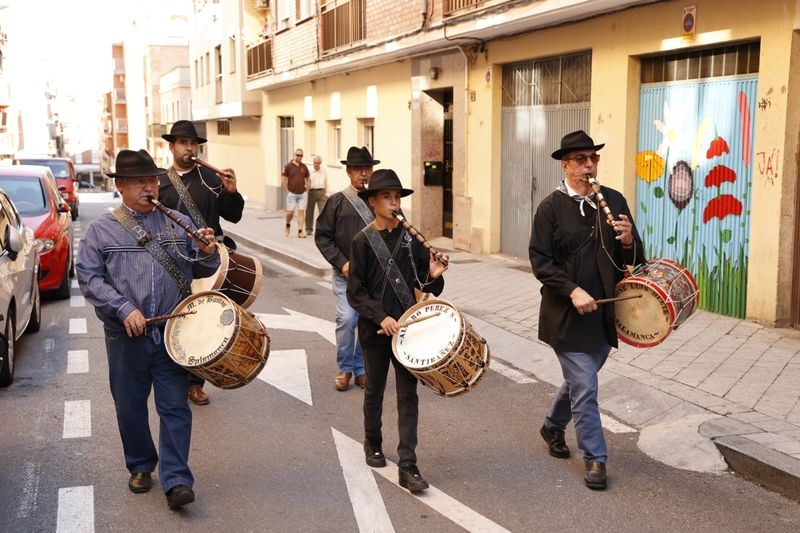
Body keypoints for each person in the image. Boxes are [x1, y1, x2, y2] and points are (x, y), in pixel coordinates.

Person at [76, 149, 220, 509]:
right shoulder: (101, 230)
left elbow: (202, 269)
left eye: (152, 179)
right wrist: (123, 308)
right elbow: (88, 277)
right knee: (130, 405)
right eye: (140, 181)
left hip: (172, 333)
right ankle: (140, 465)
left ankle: (176, 480)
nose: (149, 186)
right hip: (126, 337)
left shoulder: (176, 221)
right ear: (121, 186)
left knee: (175, 407)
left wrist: (206, 251)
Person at [528, 130, 644, 490]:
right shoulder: (550, 207)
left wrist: (628, 241)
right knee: (586, 386)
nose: (589, 164)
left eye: (592, 158)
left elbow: (635, 260)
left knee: (580, 382)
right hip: (566, 315)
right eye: (580, 159)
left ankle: (551, 425)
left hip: (604, 314)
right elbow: (541, 262)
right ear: (565, 165)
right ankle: (596, 458)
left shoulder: (614, 200)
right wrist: (573, 290)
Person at [347, 169, 448, 493]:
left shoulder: (411, 239)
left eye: (397, 197)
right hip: (376, 331)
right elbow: (356, 292)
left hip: (409, 330)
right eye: (387, 197)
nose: (394, 203)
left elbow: (425, 284)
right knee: (375, 390)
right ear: (373, 201)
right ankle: (372, 443)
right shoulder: (362, 241)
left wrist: (434, 273)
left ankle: (408, 463)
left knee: (408, 395)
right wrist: (380, 317)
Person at [159, 119, 245, 406]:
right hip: (170, 261)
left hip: (206, 262)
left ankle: (196, 382)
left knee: (202, 320)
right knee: (173, 319)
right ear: (171, 147)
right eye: (183, 142)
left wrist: (232, 192)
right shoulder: (159, 183)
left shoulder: (212, 179)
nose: (189, 147)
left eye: (193, 142)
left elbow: (233, 217)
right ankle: (174, 375)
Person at [314, 146, 378, 391]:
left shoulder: (379, 200)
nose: (364, 174)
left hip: (373, 278)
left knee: (367, 322)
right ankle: (345, 368)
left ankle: (361, 369)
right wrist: (342, 263)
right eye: (359, 170)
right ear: (349, 172)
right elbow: (322, 237)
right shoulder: (337, 202)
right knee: (347, 318)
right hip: (346, 276)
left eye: (367, 169)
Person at [281, 147, 310, 238]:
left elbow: (308, 179)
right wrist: (287, 191)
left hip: (302, 194)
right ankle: (287, 224)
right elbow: (283, 179)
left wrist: (307, 191)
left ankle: (300, 231)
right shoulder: (288, 166)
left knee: (301, 212)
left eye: (301, 156)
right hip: (292, 194)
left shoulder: (304, 167)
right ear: (294, 155)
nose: (300, 157)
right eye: (298, 155)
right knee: (290, 212)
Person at [304, 154, 328, 236]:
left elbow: (326, 182)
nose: (316, 164)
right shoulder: (310, 171)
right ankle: (308, 229)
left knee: (323, 212)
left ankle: (322, 230)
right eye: (315, 163)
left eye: (318, 163)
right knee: (309, 211)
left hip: (321, 192)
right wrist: (306, 193)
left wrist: (326, 193)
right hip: (311, 192)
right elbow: (306, 182)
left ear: (320, 163)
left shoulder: (323, 171)